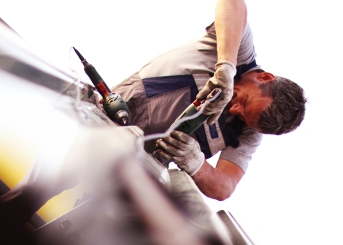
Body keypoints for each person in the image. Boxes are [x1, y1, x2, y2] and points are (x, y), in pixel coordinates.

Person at [112, 0, 306, 201]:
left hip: (136, 166)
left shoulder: (249, 134)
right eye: (245, 101)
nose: (234, 110)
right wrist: (226, 67)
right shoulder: (241, 50)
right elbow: (233, 3)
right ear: (265, 77)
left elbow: (225, 188)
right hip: (112, 116)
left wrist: (196, 163)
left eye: (243, 116)